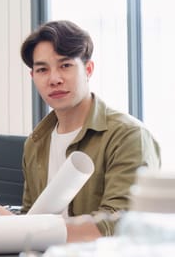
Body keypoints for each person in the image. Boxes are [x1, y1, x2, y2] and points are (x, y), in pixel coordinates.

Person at [10, 20, 160, 241]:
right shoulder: (35, 142)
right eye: (42, 69)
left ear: (88, 69)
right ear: (33, 77)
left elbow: (120, 226)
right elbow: (30, 215)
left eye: (65, 65)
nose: (54, 79)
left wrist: (28, 230)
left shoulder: (128, 136)